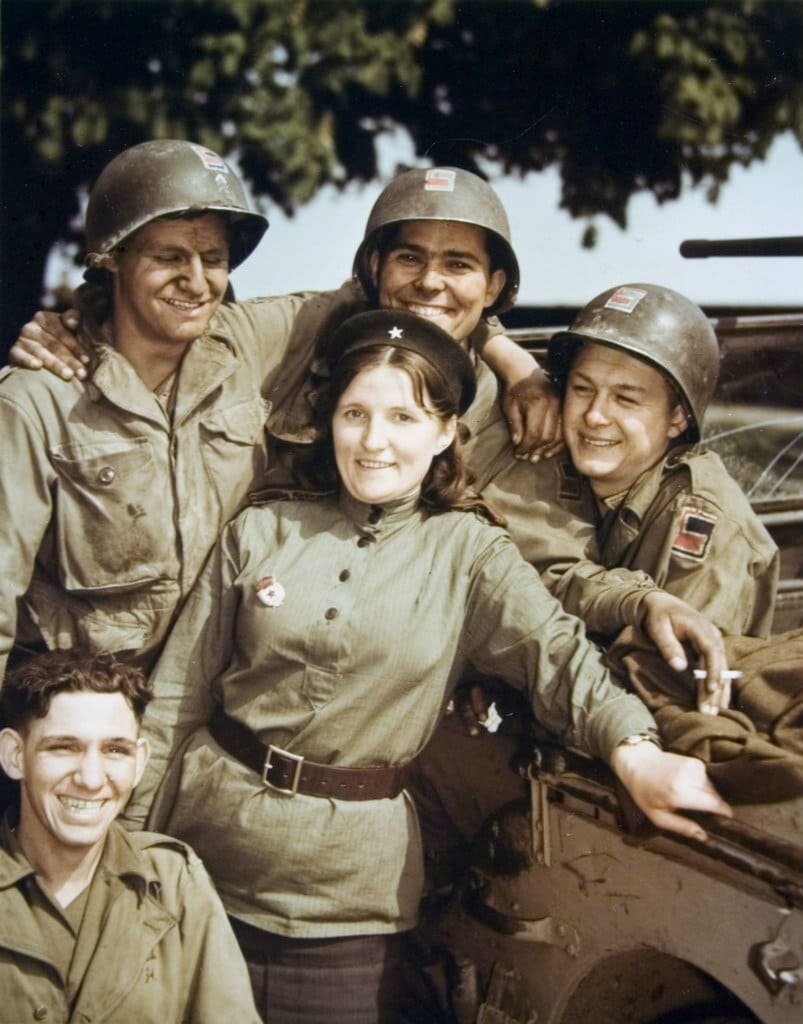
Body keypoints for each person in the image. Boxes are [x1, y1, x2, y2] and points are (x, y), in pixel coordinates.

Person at [122, 310, 732, 1024]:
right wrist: (130, 850)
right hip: (201, 862)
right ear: (329, 423)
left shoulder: (470, 553)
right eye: (355, 413)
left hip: (345, 902)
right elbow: (175, 700)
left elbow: (558, 660)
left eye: (404, 418)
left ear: (445, 431)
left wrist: (636, 752)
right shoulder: (263, 526)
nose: (373, 441)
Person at [9, 164, 728, 684]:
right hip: (207, 666)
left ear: (495, 289)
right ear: (374, 268)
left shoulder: (522, 421)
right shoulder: (302, 342)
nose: (430, 282)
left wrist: (508, 358)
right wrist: (80, 319)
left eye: (458, 265)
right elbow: (173, 315)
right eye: (409, 257)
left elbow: (552, 573)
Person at [0, 648, 260, 1023]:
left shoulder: (172, 882)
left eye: (115, 751)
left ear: (139, 763)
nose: (91, 779)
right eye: (64, 748)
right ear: (14, 755)